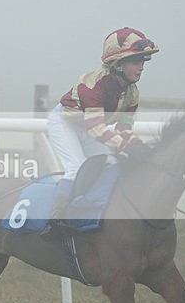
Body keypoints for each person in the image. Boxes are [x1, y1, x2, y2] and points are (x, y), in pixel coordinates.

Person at [43, 27, 158, 229]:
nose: (141, 68)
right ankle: (55, 218)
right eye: (135, 62)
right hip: (65, 123)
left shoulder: (133, 93)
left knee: (112, 164)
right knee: (76, 168)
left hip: (89, 127)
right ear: (117, 63)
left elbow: (123, 127)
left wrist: (137, 144)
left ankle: (94, 210)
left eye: (143, 62)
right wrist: (125, 146)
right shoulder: (93, 84)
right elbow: (96, 128)